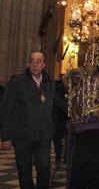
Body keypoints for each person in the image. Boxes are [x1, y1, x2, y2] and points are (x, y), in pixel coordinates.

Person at [0, 51, 64, 189]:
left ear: (44, 65)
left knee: (45, 169)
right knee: (24, 172)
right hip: (22, 137)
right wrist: (5, 136)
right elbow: (5, 109)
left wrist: (80, 112)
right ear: (29, 64)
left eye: (39, 61)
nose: (35, 64)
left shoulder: (49, 84)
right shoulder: (17, 83)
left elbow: (62, 105)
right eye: (32, 61)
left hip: (43, 137)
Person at [52, 78, 68, 165]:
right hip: (58, 118)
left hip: (67, 119)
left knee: (68, 138)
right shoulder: (57, 89)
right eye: (66, 80)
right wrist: (69, 110)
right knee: (57, 138)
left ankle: (66, 156)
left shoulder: (73, 88)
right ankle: (58, 154)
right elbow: (58, 102)